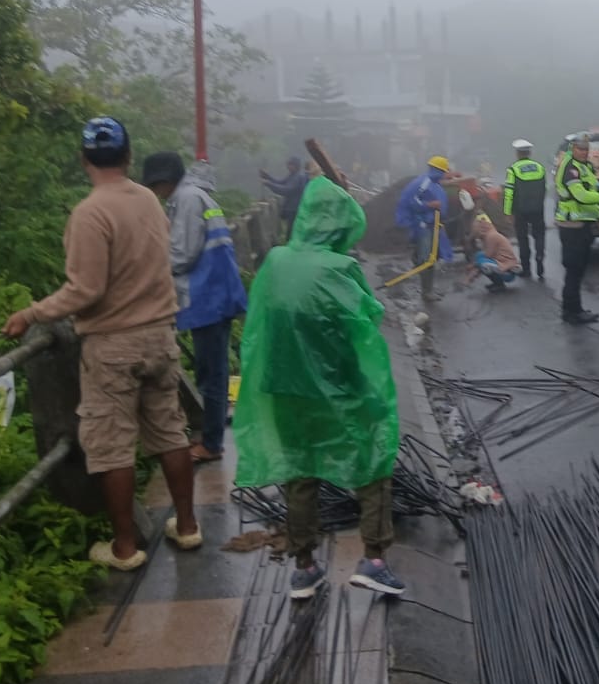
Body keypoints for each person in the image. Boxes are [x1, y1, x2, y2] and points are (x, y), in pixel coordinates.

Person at [2, 117, 199, 570]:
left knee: (111, 446)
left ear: (84, 159)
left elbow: (85, 291)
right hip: (159, 335)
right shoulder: (149, 199)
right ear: (129, 157)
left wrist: (30, 313)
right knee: (170, 431)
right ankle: (187, 526)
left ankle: (125, 548)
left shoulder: (90, 213)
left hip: (113, 344)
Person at [231, 176, 406, 602]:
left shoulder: (274, 261)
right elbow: (367, 318)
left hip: (284, 386)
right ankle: (374, 561)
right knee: (372, 461)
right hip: (338, 385)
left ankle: (305, 568)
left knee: (299, 471)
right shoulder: (340, 268)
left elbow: (260, 325)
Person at [142, 152, 249, 464]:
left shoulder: (187, 199)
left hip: (208, 297)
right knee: (211, 370)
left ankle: (212, 444)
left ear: (163, 180)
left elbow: (182, 253)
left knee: (210, 373)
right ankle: (210, 434)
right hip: (216, 293)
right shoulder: (197, 195)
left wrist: (150, 271)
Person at [553, 133, 599, 325]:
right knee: (574, 269)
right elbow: (581, 195)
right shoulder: (570, 168)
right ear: (572, 148)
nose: (583, 152)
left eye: (586, 150)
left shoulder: (585, 167)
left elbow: (593, 190)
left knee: (579, 269)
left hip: (584, 224)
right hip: (572, 226)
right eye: (580, 149)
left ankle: (575, 309)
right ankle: (571, 312)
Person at [395, 156, 454, 303]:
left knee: (436, 254)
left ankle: (426, 282)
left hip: (434, 224)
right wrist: (429, 205)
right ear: (439, 170)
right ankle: (427, 292)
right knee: (427, 259)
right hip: (424, 225)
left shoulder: (434, 183)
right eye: (444, 171)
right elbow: (412, 201)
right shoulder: (425, 182)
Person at [502, 139, 547, 281]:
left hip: (520, 211)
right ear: (530, 152)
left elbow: (509, 193)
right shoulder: (539, 167)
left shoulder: (513, 169)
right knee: (539, 235)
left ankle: (526, 269)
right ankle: (540, 261)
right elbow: (544, 188)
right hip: (538, 209)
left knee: (523, 239)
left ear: (517, 153)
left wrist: (507, 212)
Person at [468, 212, 521, 291]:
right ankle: (497, 282)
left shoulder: (491, 236)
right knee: (479, 256)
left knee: (483, 263)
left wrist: (473, 268)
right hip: (503, 264)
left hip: (507, 269)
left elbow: (489, 255)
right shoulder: (489, 235)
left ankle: (499, 283)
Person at [259, 157, 309, 237]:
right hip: (291, 208)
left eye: (290, 165)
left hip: (295, 209)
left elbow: (286, 190)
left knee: (291, 231)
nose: (288, 167)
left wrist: (269, 184)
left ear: (295, 166)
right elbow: (281, 183)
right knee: (290, 230)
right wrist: (267, 177)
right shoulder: (292, 175)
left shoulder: (298, 177)